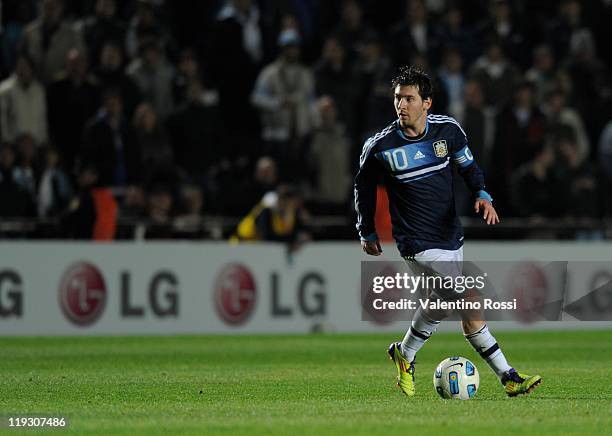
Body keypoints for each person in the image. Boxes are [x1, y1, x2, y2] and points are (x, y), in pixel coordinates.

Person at [354, 66, 541, 397]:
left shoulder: (448, 131)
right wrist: (366, 230)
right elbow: (363, 187)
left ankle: (404, 353)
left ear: (427, 102)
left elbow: (468, 167)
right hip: (416, 243)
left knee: (438, 304)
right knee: (471, 301)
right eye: (398, 99)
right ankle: (508, 377)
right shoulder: (380, 146)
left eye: (410, 99)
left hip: (449, 235)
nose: (402, 105)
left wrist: (482, 193)